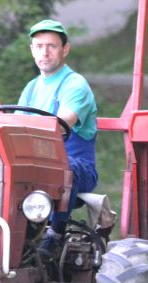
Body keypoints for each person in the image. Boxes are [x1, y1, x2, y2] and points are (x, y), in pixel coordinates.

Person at [18, 19, 99, 259]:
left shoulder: (75, 85)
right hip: (36, 164)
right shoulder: (31, 88)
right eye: (39, 46)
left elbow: (60, 125)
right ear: (32, 49)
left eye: (52, 46)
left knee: (65, 169)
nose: (45, 52)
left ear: (65, 49)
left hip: (76, 165)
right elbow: (14, 126)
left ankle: (55, 235)